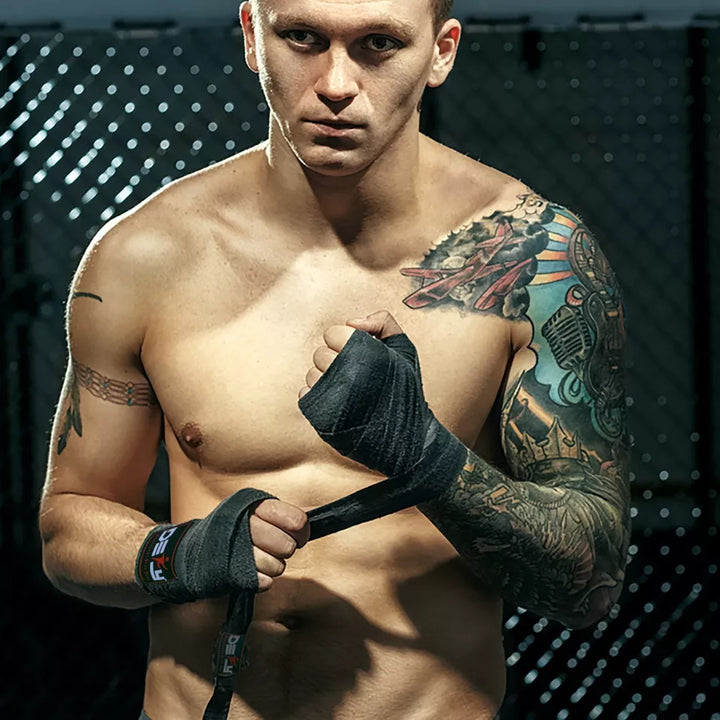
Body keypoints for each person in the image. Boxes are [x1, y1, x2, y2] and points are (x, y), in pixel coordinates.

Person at [39, 0, 631, 718]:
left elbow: (590, 582)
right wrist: (177, 555)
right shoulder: (143, 257)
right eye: (302, 37)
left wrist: (427, 458)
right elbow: (70, 525)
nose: (336, 85)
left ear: (441, 51)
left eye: (379, 43)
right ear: (252, 37)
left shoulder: (531, 260)